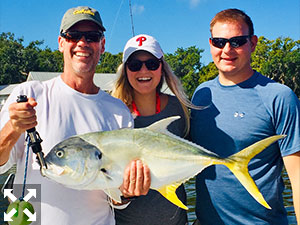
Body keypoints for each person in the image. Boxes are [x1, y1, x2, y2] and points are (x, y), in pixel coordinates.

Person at [0, 6, 150, 225]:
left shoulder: (119, 112)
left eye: (92, 36)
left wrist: (127, 193)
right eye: (73, 35)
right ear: (61, 43)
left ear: (102, 45)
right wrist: (12, 129)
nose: (82, 43)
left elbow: (116, 196)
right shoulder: (29, 94)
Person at [190, 8, 300, 225]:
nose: (227, 50)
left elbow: (297, 178)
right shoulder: (201, 95)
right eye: (219, 42)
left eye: (237, 41)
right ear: (211, 44)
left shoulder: (279, 97)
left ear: (253, 43)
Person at [112, 34, 196, 225]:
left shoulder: (180, 109)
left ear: (162, 68)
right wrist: (123, 194)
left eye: (151, 63)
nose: (143, 70)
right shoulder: (111, 112)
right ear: (125, 70)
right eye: (134, 64)